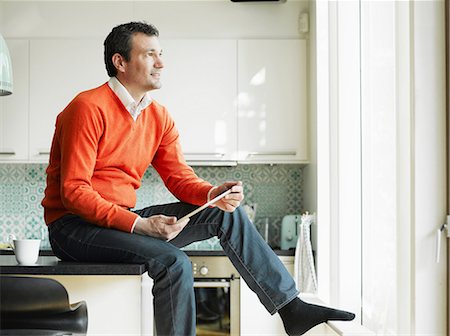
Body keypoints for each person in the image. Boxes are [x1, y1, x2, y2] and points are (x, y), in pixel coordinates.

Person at [42, 21, 355, 336]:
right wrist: (140, 225)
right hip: (73, 228)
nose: (161, 63)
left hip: (119, 222)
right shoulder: (87, 108)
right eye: (150, 54)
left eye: (160, 54)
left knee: (225, 214)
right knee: (172, 260)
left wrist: (212, 193)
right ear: (120, 62)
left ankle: (292, 308)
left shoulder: (158, 116)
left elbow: (178, 177)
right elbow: (74, 191)